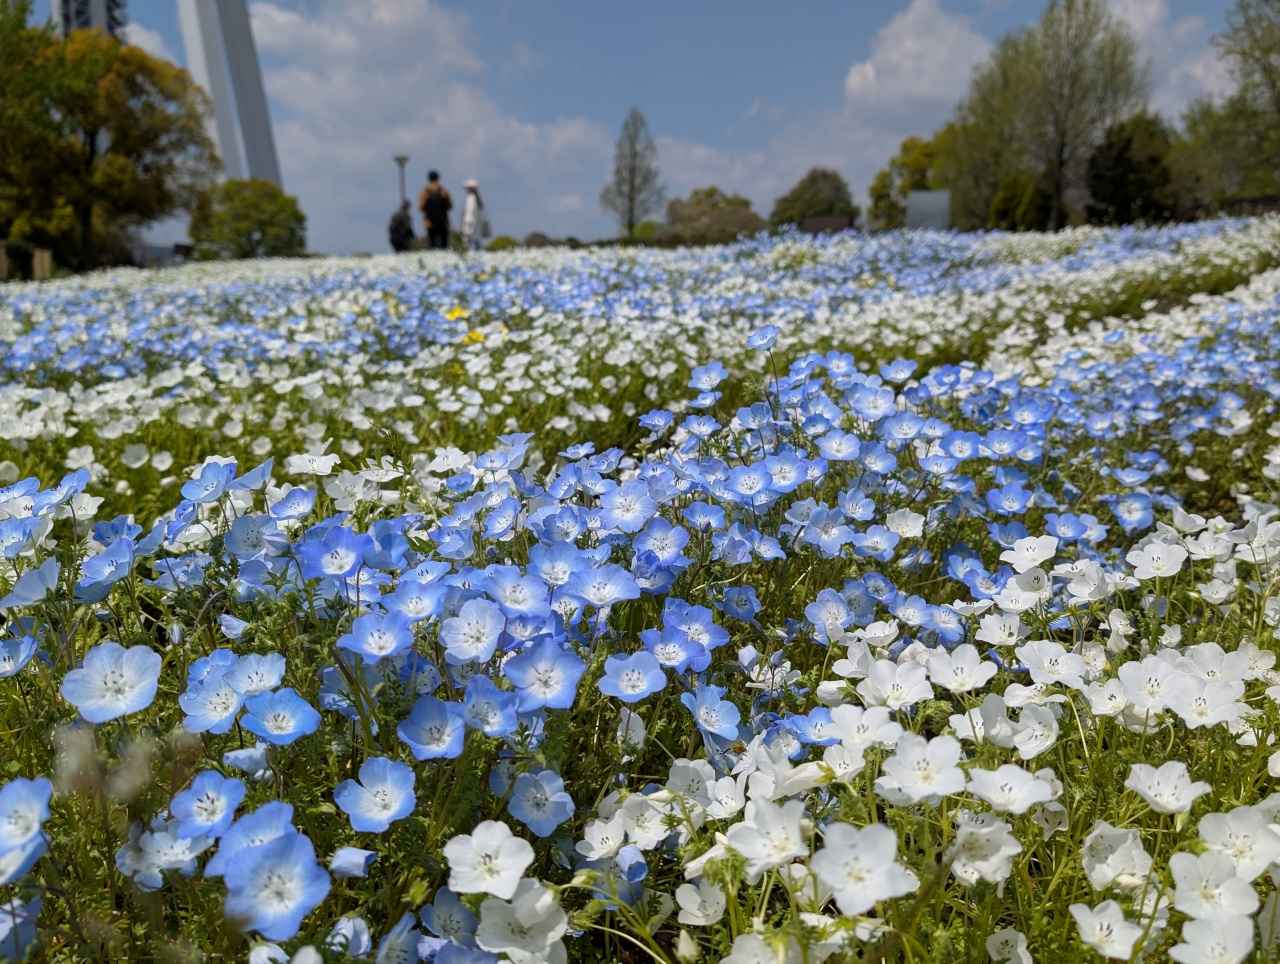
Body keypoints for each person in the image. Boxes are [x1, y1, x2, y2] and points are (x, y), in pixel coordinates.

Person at [418, 170, 452, 250]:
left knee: (431, 244)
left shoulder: (425, 192)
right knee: (444, 244)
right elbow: (450, 206)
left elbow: (421, 207)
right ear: (438, 178)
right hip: (443, 221)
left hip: (429, 222)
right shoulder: (443, 191)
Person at [461, 179, 490, 251]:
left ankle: (470, 250)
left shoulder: (472, 197)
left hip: (470, 222)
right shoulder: (475, 198)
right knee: (474, 238)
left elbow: (471, 212)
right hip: (473, 222)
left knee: (469, 238)